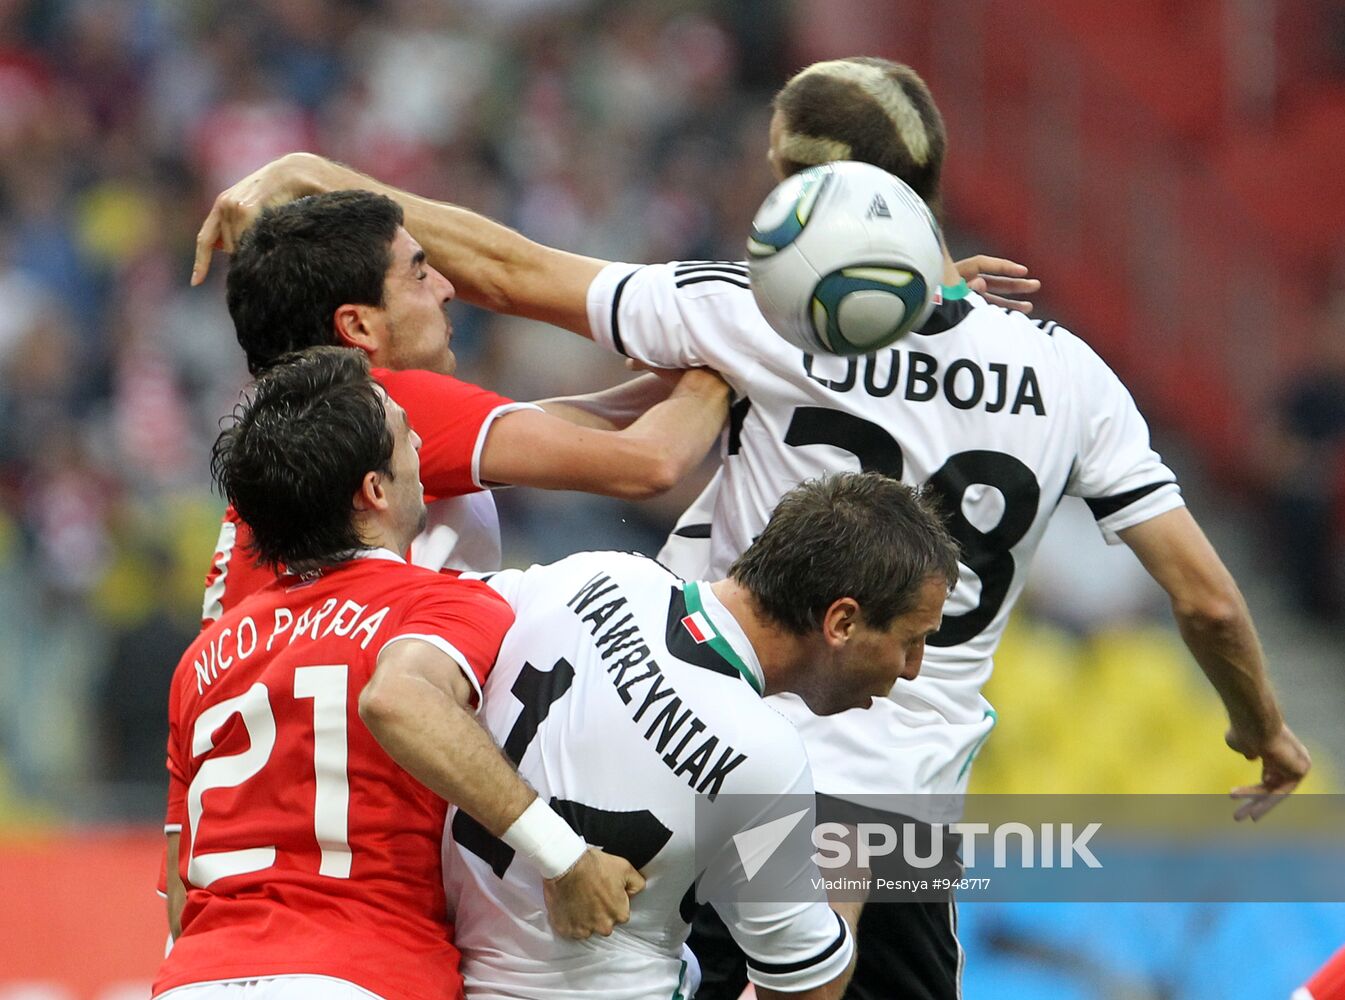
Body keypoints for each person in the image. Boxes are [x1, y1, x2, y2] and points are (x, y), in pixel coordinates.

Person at [191, 57, 1311, 1000]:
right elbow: (1205, 596)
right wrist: (1264, 728)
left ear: (806, 193)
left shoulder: (747, 311)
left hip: (703, 736)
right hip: (889, 805)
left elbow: (513, 271)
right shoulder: (1068, 372)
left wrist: (320, 179)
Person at [156, 347, 643, 1000]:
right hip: (361, 970)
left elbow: (179, 882)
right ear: (374, 490)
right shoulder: (438, 603)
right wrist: (566, 859)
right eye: (403, 430)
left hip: (195, 978)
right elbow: (397, 699)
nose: (418, 441)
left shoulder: (203, 661)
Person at [444, 470, 960, 1000]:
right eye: (912, 640)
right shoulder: (765, 759)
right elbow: (807, 990)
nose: (913, 669)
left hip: (443, 967)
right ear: (842, 622)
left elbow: (425, 665)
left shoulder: (599, 572)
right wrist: (845, 877)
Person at [200, 189, 731, 625]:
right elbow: (650, 463)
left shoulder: (307, 415)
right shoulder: (377, 402)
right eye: (419, 274)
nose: (448, 288)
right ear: (357, 326)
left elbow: (567, 427)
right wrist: (733, 351)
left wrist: (682, 378)